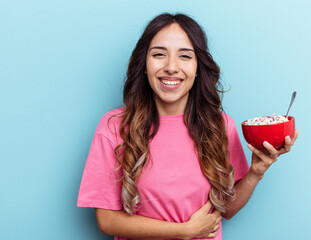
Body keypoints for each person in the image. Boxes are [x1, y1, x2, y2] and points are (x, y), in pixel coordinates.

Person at [77, 13, 298, 240]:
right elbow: (106, 220)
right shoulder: (115, 126)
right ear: (144, 65)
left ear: (198, 68)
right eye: (159, 54)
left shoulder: (219, 126)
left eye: (185, 56)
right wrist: (185, 231)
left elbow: (227, 209)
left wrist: (255, 173)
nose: (171, 67)